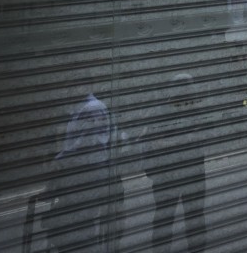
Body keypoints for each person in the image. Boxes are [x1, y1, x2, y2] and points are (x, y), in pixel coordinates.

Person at [43, 84, 122, 252]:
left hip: (89, 171)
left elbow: (88, 140)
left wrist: (60, 158)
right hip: (84, 170)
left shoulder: (92, 107)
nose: (68, 89)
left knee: (82, 222)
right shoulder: (80, 107)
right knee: (77, 221)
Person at [141, 73, 207, 253]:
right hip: (168, 174)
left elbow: (203, 134)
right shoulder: (160, 112)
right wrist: (183, 139)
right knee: (165, 217)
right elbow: (153, 141)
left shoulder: (195, 109)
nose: (187, 90)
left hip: (191, 172)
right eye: (184, 86)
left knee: (192, 216)